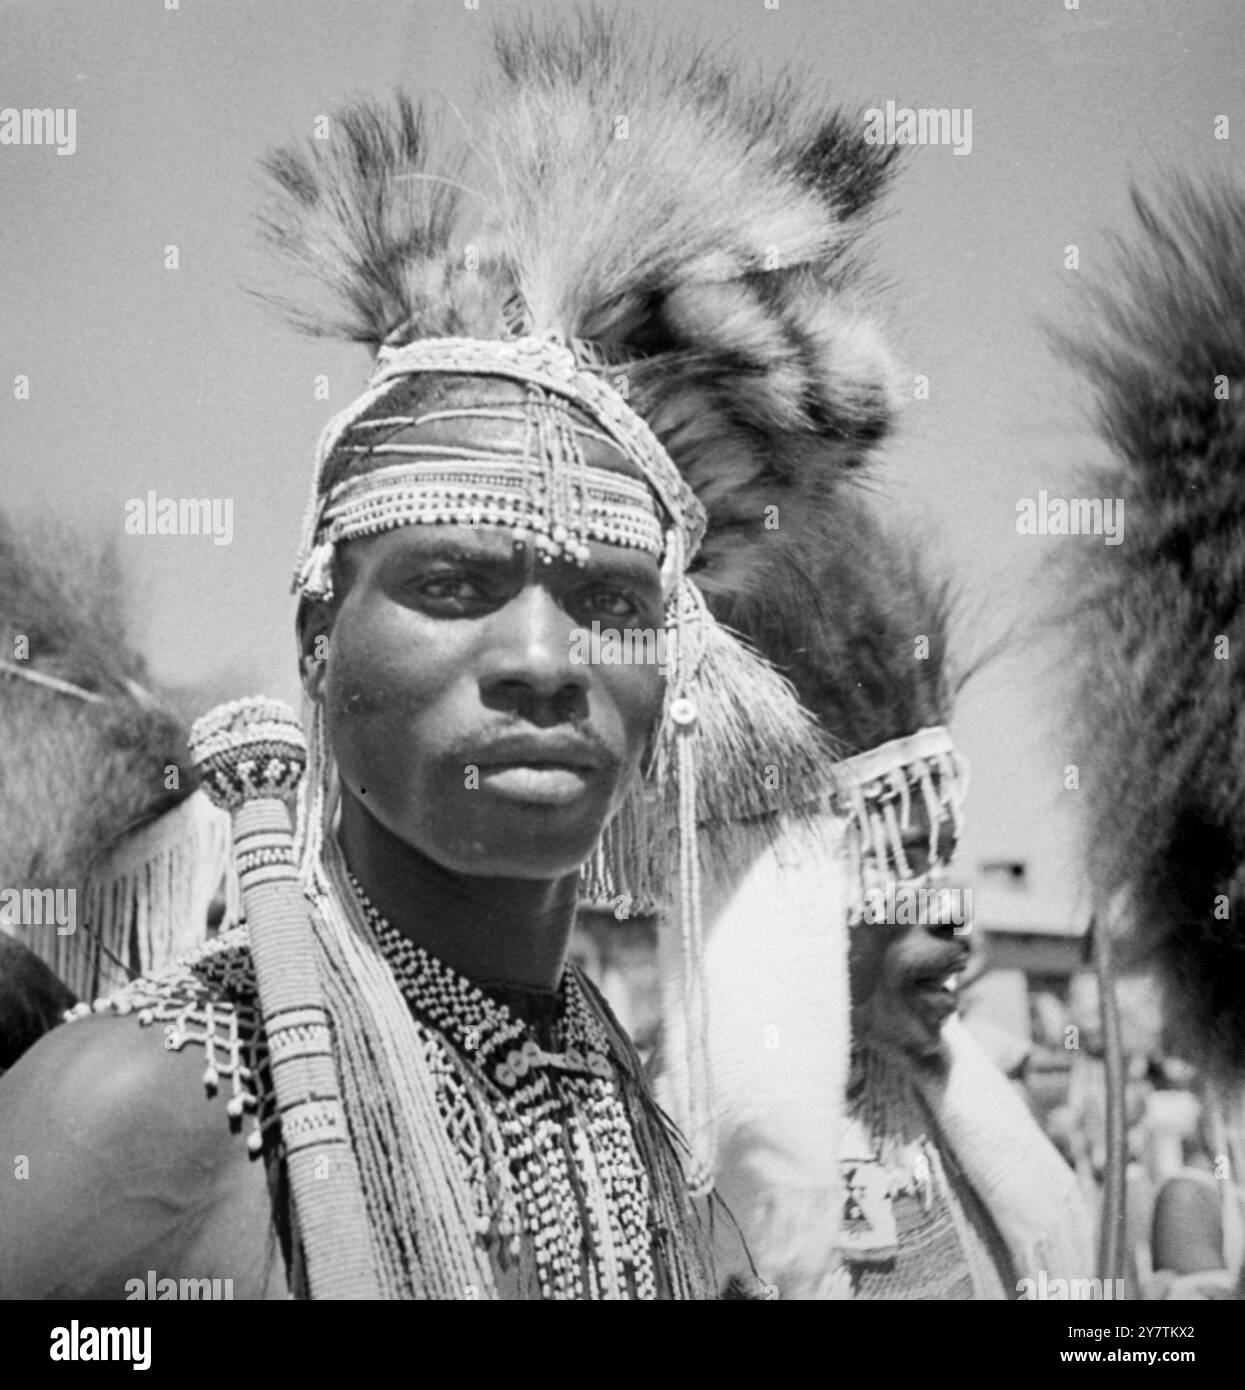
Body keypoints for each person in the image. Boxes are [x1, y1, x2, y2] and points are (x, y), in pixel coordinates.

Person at [0, 16, 894, 1300]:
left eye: (605, 597)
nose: (540, 656)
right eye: (449, 583)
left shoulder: (632, 1131)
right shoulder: (145, 1109)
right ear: (317, 644)